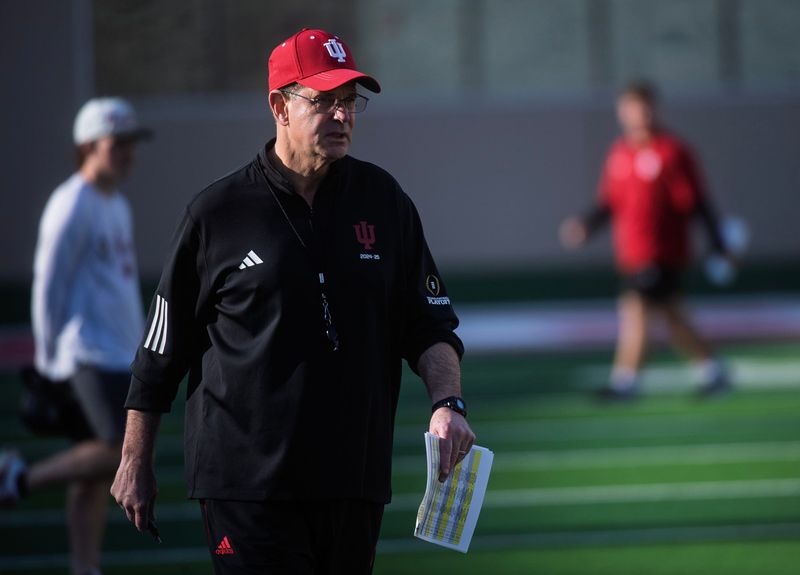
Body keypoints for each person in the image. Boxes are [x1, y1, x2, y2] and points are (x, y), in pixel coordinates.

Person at [110, 28, 475, 574]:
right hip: (247, 485)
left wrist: (448, 404)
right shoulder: (217, 213)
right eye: (324, 101)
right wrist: (135, 456)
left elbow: (429, 324)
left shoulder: (383, 200)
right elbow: (162, 349)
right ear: (279, 106)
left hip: (353, 478)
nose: (342, 116)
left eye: (350, 102)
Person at [0, 98, 151, 575]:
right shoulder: (72, 202)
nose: (127, 153)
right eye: (118, 144)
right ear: (88, 145)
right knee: (117, 451)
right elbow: (48, 285)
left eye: (131, 144)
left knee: (92, 476)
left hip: (118, 354)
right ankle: (17, 477)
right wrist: (48, 361)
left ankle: (85, 567)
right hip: (89, 354)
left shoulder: (116, 204)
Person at [559, 81, 732, 400]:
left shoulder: (672, 151)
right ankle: (713, 370)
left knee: (635, 308)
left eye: (644, 107)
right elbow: (610, 201)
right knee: (671, 315)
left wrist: (718, 243)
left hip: (663, 250)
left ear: (655, 109)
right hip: (631, 251)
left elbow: (696, 202)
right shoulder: (619, 153)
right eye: (630, 108)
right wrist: (586, 224)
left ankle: (626, 382)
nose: (638, 115)